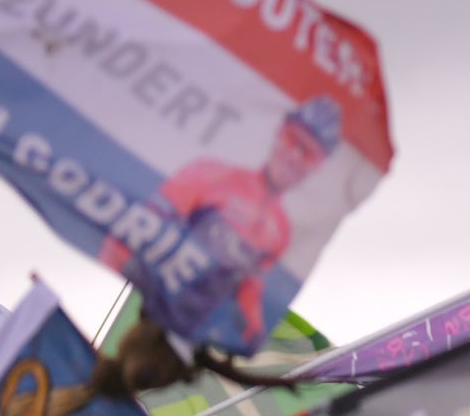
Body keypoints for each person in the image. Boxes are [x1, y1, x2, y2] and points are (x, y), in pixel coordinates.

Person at [99, 95, 342, 346]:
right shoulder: (211, 175)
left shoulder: (281, 231)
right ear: (279, 133)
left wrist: (254, 334)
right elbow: (134, 229)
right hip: (148, 313)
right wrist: (122, 273)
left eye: (309, 153)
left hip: (188, 337)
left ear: (318, 166)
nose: (294, 155)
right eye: (293, 139)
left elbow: (250, 287)